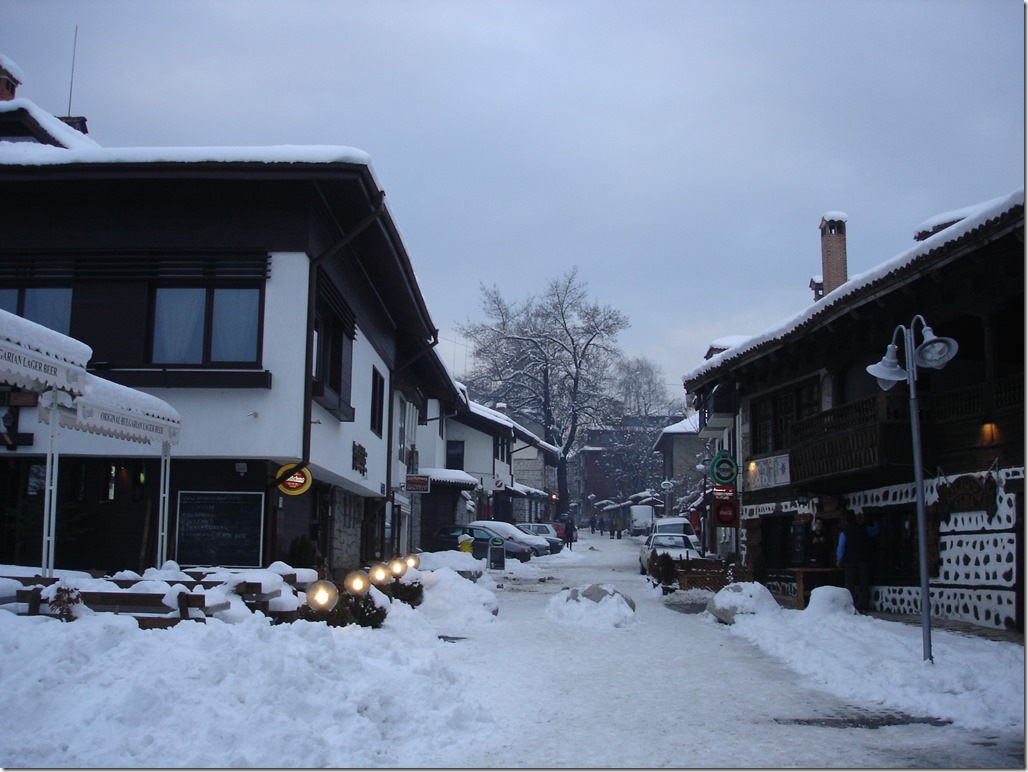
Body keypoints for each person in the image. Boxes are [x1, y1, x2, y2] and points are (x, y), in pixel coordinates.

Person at [836, 512, 880, 612]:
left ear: (846, 520)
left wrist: (839, 559)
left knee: (849, 584)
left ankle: (851, 605)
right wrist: (876, 522)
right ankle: (865, 605)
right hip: (863, 559)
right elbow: (875, 531)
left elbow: (841, 547)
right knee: (864, 582)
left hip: (850, 561)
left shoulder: (845, 532)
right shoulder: (864, 529)